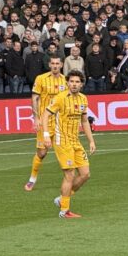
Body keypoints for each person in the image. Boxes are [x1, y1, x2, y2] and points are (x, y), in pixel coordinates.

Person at [42, 70, 96, 218]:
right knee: (70, 175)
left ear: (81, 84)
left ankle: (62, 199)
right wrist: (46, 135)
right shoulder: (60, 98)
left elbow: (84, 121)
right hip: (62, 140)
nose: (74, 84)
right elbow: (45, 115)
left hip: (75, 141)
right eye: (71, 81)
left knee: (85, 174)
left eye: (77, 82)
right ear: (67, 83)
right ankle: (64, 211)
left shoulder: (83, 99)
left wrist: (91, 140)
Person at [24, 56, 67, 191]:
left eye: (57, 63)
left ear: (61, 65)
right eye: (53, 63)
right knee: (42, 153)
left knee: (65, 151)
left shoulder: (65, 80)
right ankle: (32, 179)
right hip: (45, 121)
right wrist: (36, 118)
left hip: (60, 122)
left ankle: (69, 178)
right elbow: (35, 98)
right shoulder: (41, 78)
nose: (55, 66)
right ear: (49, 65)